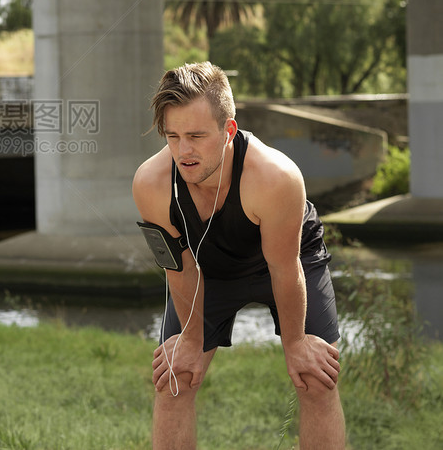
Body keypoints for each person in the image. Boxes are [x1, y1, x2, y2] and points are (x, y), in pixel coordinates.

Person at [132, 61, 345, 450]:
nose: (183, 151)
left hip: (286, 260)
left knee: (315, 379)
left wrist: (297, 343)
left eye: (196, 135)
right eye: (173, 136)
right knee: (175, 378)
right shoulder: (151, 184)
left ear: (229, 130)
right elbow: (179, 269)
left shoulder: (275, 178)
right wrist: (191, 341)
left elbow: (283, 267)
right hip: (205, 269)